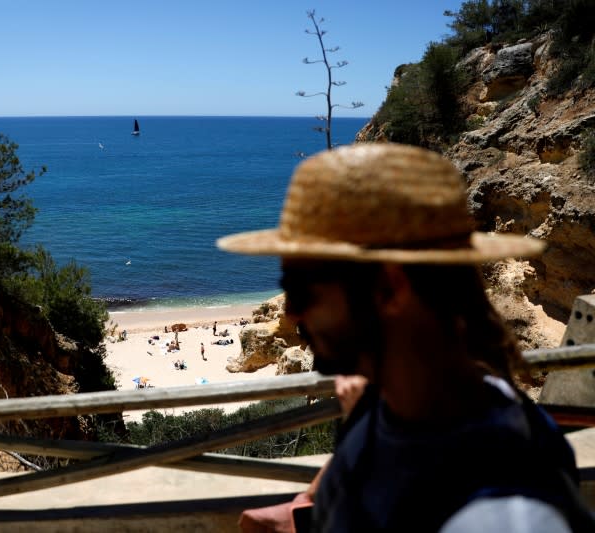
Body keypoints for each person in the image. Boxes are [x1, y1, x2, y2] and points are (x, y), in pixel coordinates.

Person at [219, 143, 593, 532]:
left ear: (388, 288)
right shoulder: (395, 409)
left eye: (301, 290)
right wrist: (302, 511)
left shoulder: (501, 514)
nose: (293, 312)